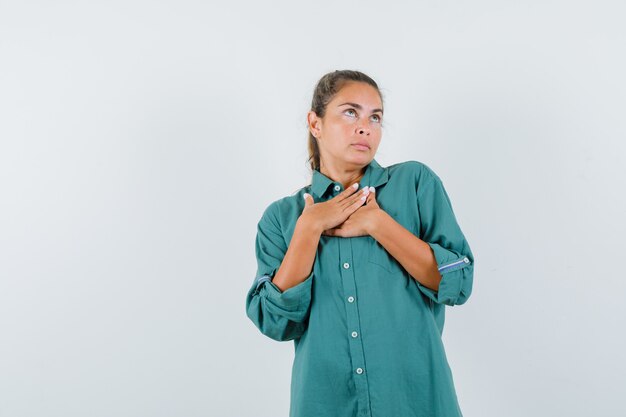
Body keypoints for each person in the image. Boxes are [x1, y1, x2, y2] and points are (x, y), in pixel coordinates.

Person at [245, 69, 475, 417]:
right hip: (326, 404)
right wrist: (308, 230)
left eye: (375, 117)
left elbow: (458, 285)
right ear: (315, 123)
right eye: (350, 112)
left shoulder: (415, 184)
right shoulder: (282, 218)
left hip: (415, 402)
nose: (365, 126)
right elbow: (276, 323)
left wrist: (380, 224)